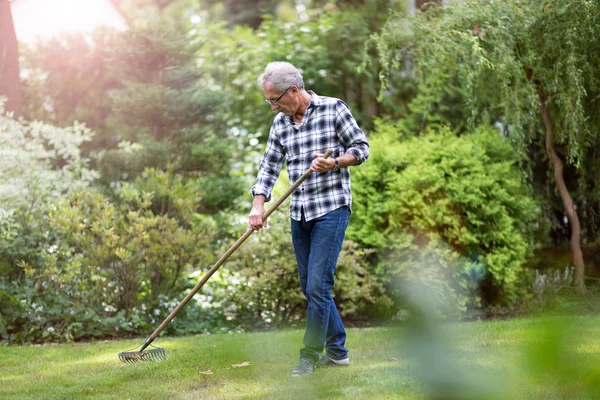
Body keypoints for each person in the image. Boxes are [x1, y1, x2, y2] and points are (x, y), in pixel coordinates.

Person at [248, 62, 369, 377]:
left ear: (293, 90)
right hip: (299, 212)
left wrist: (335, 162)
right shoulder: (281, 123)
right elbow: (269, 166)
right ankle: (338, 352)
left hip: (331, 208)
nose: (273, 106)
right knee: (311, 287)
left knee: (318, 284)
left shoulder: (333, 110)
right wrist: (258, 206)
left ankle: (310, 355)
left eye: (275, 99)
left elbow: (361, 149)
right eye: (269, 101)